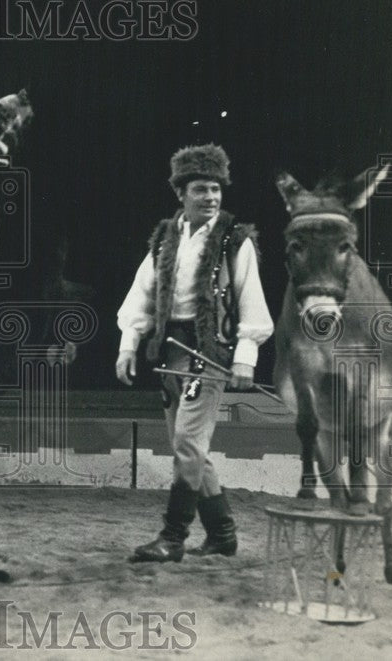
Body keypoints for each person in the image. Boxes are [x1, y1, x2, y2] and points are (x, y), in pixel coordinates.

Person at [115, 144, 273, 562]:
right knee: (190, 448)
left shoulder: (234, 240)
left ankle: (173, 537)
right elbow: (141, 295)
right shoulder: (164, 240)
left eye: (216, 189)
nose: (211, 197)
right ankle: (222, 535)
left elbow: (251, 299)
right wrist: (129, 344)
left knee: (187, 443)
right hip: (170, 351)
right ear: (181, 193)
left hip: (211, 352)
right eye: (201, 189)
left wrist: (245, 357)